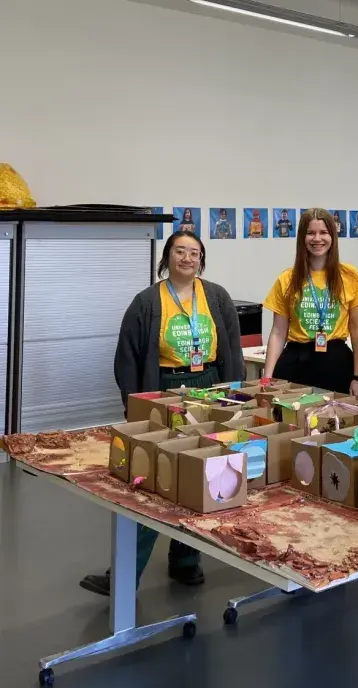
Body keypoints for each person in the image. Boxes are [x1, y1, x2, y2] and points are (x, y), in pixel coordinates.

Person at [79, 232, 245, 597]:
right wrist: (135, 404)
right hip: (164, 390)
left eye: (195, 253)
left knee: (201, 472)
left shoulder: (216, 297)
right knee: (157, 480)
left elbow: (232, 350)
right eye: (180, 251)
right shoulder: (146, 302)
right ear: (167, 257)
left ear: (202, 259)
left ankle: (186, 560)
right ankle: (124, 574)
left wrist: (233, 396)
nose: (187, 258)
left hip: (210, 390)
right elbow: (127, 358)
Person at [263, 208, 358, 399]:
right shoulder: (287, 279)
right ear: (302, 238)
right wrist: (267, 377)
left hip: (336, 363)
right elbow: (278, 332)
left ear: (333, 236)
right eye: (310, 233)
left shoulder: (349, 276)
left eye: (324, 232)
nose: (317, 238)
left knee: (334, 424)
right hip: (295, 361)